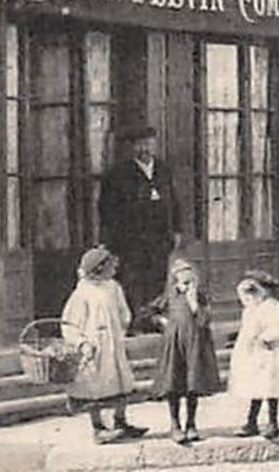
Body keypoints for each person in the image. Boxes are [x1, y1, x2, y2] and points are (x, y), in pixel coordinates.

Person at [97, 126, 181, 325]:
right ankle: (135, 320)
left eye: (149, 143)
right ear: (133, 147)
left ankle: (154, 318)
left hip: (159, 238)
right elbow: (107, 208)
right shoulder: (118, 173)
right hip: (131, 239)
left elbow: (175, 202)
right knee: (133, 280)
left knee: (157, 277)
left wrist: (176, 229)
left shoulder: (163, 170)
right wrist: (114, 237)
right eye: (140, 144)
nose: (145, 148)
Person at [61, 248, 145, 444]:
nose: (114, 269)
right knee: (94, 387)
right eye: (110, 266)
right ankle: (98, 427)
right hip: (94, 346)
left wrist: (120, 329)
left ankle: (120, 421)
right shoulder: (82, 293)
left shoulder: (113, 287)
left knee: (121, 382)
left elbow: (124, 312)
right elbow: (70, 324)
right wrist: (82, 343)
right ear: (98, 269)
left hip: (114, 342)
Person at [148, 257, 221, 444]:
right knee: (173, 383)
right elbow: (152, 313)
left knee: (192, 384)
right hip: (175, 344)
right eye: (184, 281)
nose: (188, 285)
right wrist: (164, 322)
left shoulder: (201, 297)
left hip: (195, 344)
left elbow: (205, 320)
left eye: (191, 280)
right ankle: (175, 424)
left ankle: (191, 423)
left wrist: (194, 301)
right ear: (176, 281)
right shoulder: (170, 296)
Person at [229, 269, 279, 440]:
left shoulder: (272, 308)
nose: (250, 297)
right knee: (255, 388)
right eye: (247, 294)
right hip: (253, 354)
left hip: (268, 353)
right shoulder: (250, 310)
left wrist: (266, 338)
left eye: (254, 292)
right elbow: (248, 329)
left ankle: (273, 423)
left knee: (270, 389)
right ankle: (252, 422)